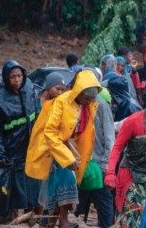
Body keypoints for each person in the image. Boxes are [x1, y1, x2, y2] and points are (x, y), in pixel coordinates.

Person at [26, 70, 101, 228]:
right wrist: (67, 157)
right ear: (78, 91)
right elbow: (50, 132)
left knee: (62, 187)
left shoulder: (90, 106)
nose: (88, 101)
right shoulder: (61, 102)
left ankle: (55, 221)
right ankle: (59, 221)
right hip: (52, 149)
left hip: (68, 149)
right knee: (61, 184)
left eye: (91, 99)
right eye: (86, 98)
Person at [0, 60, 41, 216]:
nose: (17, 80)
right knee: (11, 183)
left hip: (30, 145)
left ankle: (30, 214)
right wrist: (0, 153)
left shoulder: (29, 88)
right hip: (11, 146)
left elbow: (37, 112)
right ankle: (10, 214)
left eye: (19, 76)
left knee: (32, 182)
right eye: (12, 77)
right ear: (6, 78)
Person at [104, 89, 146, 228]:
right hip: (131, 174)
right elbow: (117, 148)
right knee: (133, 212)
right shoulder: (132, 122)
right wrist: (110, 173)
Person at [73, 68, 116, 228]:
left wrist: (106, 164)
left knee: (103, 202)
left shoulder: (100, 105)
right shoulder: (75, 102)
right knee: (78, 201)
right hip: (79, 163)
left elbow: (109, 137)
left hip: (97, 164)